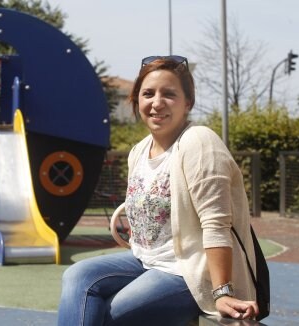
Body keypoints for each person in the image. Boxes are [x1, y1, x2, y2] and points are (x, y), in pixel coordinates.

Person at [57, 56, 259, 326]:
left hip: (188, 271)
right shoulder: (139, 151)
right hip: (145, 261)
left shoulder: (199, 142)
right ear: (136, 101)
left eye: (169, 94)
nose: (157, 102)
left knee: (109, 314)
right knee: (78, 276)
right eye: (148, 94)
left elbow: (216, 224)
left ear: (188, 103)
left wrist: (222, 292)